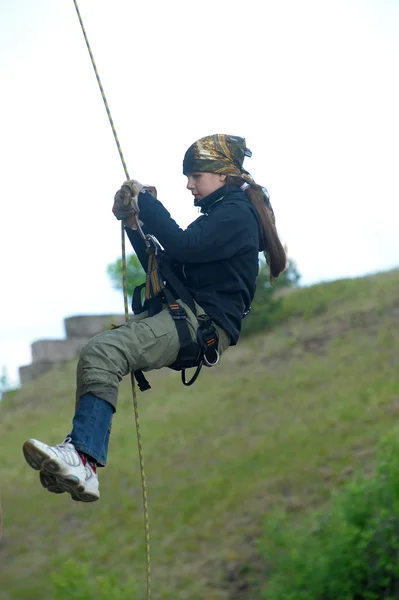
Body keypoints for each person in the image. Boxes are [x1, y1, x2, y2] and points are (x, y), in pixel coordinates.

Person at [22, 134, 286, 502]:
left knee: (103, 352)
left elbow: (182, 246)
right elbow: (169, 264)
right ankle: (82, 455)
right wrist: (134, 223)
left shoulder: (236, 215)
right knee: (100, 351)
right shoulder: (222, 217)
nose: (189, 184)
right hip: (191, 319)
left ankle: (83, 457)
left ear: (223, 176)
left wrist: (145, 201)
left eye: (196, 176)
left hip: (199, 323)